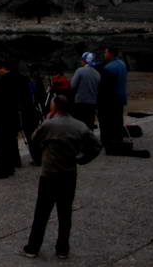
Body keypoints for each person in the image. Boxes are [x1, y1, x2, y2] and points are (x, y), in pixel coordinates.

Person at [20, 95, 102, 259]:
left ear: (55, 108)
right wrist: (82, 159)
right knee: (65, 213)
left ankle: (33, 247)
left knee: (42, 213)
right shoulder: (79, 126)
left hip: (49, 174)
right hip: (69, 174)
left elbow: (35, 138)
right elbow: (96, 145)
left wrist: (46, 121)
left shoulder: (50, 124)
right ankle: (62, 248)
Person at [0, 60, 26, 176]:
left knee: (1, 142)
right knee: (11, 141)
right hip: (12, 116)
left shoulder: (6, 80)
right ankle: (13, 162)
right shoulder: (16, 78)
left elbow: (0, 96)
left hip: (4, 117)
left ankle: (4, 166)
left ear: (4, 68)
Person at [97, 46, 128, 151]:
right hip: (121, 96)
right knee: (118, 119)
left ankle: (108, 142)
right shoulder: (122, 64)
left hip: (112, 99)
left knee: (108, 121)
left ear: (110, 54)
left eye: (105, 52)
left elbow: (105, 87)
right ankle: (118, 138)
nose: (104, 54)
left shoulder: (109, 68)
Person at [70, 52, 100, 129]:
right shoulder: (97, 74)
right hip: (92, 104)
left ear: (84, 61)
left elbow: (72, 86)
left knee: (80, 125)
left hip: (80, 102)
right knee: (89, 124)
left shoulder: (79, 71)